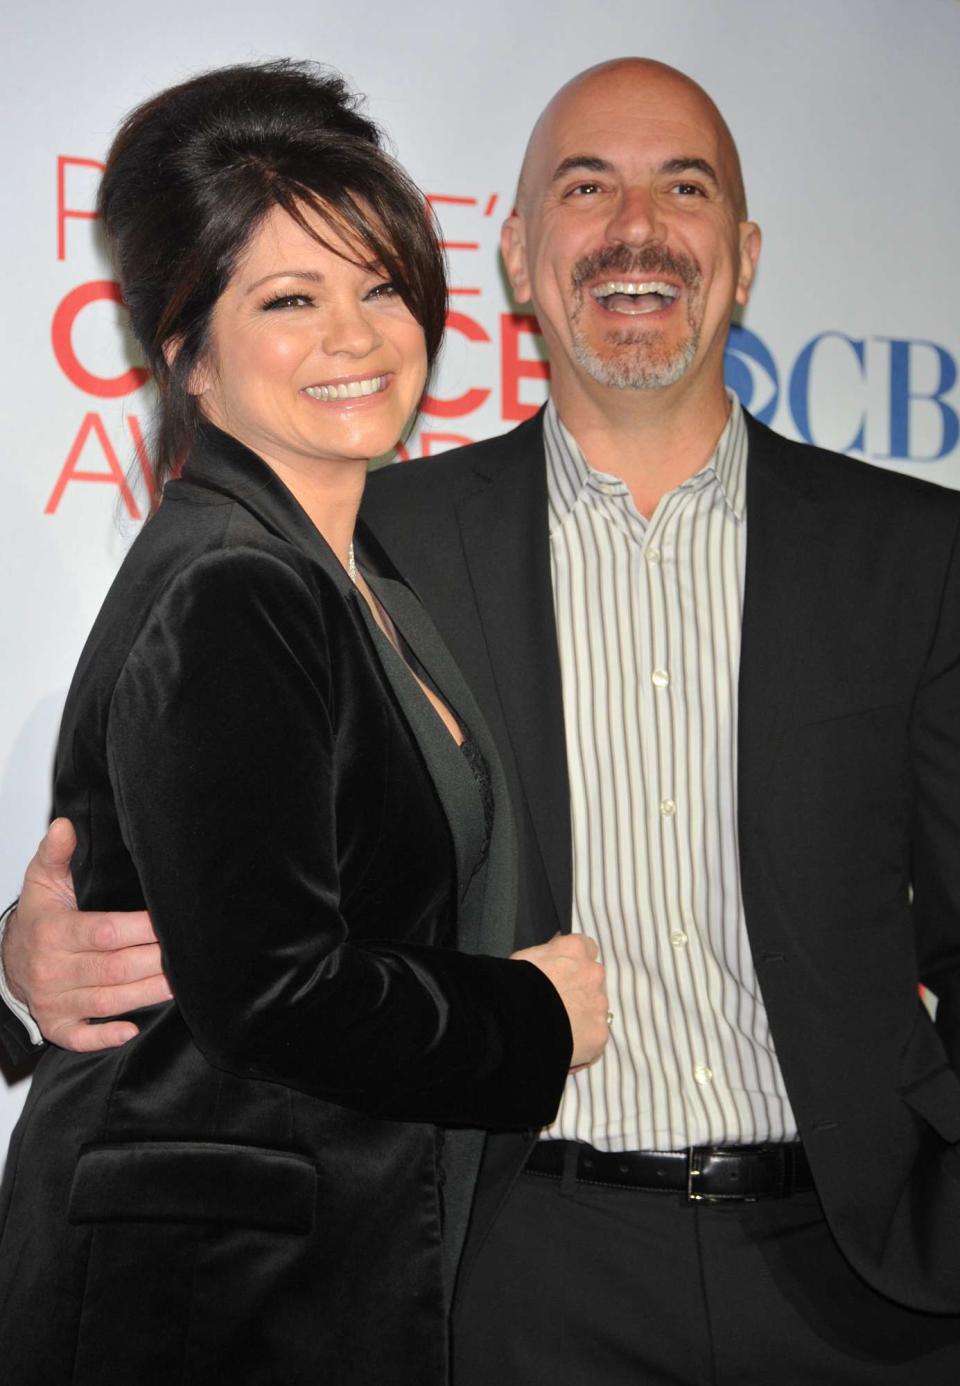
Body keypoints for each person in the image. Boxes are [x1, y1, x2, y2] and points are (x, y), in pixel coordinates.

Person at [5, 53, 960, 1384]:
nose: (637, 226)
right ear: (515, 256)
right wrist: (26, 968)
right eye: (587, 187)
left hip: (862, 1281)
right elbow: (201, 858)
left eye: (683, 187)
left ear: (742, 255)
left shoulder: (918, 553)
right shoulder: (361, 537)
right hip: (510, 1280)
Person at [0, 59, 612, 1386]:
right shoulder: (238, 583)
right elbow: (277, 989)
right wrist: (531, 1017)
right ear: (189, 354)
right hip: (217, 1298)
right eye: (290, 298)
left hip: (315, 1263)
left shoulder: (356, 576)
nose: (358, 334)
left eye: (378, 285)